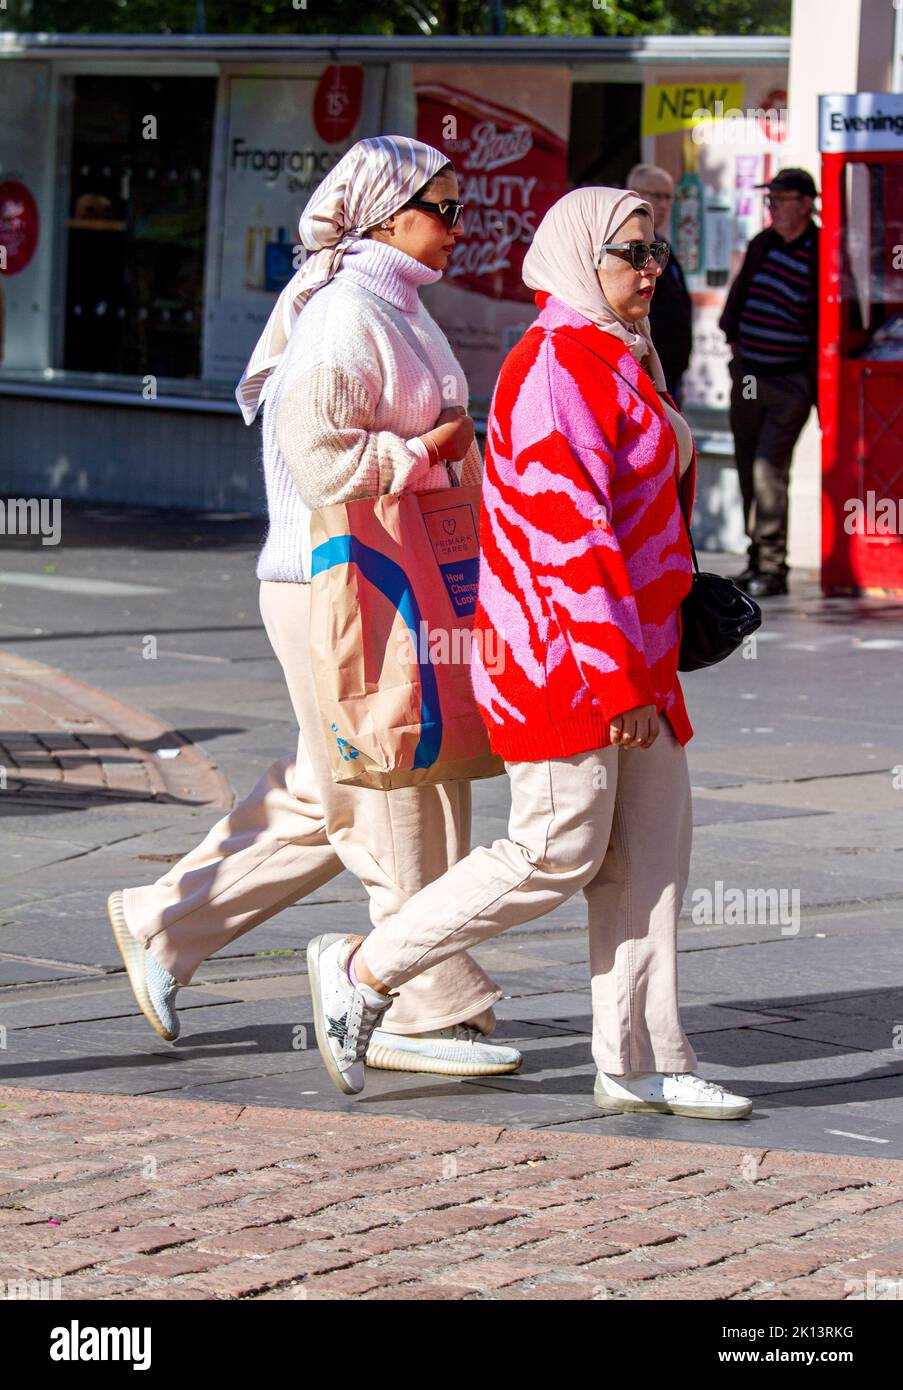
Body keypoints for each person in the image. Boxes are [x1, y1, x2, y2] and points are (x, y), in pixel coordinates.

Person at [306, 186, 753, 1122]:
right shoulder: (554, 364)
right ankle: (362, 968)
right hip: (564, 659)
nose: (650, 269)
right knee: (552, 849)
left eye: (657, 253)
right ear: (574, 258)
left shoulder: (622, 355)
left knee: (649, 859)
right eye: (630, 253)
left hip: (637, 651)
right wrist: (619, 678)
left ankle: (637, 1060)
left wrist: (648, 657)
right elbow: (567, 538)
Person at [107, 136, 521, 1080]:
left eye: (462, 209)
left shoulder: (396, 305)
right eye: (445, 209)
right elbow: (319, 456)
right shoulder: (345, 313)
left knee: (339, 785)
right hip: (331, 582)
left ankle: (163, 921)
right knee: (396, 785)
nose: (462, 227)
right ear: (383, 215)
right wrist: (428, 453)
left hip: (382, 573)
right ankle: (420, 998)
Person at [719, 167, 820, 598]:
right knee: (747, 465)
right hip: (749, 375)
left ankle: (773, 566)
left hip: (789, 381)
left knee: (768, 471)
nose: (773, 209)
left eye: (780, 200)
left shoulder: (821, 252)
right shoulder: (763, 244)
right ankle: (756, 557)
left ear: (805, 204)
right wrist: (738, 359)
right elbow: (737, 303)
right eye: (769, 201)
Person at [626, 162, 693, 407]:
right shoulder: (626, 251)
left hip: (668, 377)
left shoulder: (663, 247)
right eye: (656, 196)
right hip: (642, 377)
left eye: (668, 198)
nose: (663, 205)